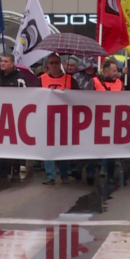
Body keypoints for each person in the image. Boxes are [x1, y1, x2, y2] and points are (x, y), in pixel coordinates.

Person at [0, 54, 27, 183]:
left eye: (6, 61)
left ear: (12, 64)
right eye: (1, 61)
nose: (2, 63)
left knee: (13, 145)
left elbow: (27, 96)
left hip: (14, 116)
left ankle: (15, 171)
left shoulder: (20, 79)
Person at [39, 53, 78, 185]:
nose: (54, 65)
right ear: (47, 65)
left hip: (65, 119)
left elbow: (80, 98)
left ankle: (64, 174)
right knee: (48, 148)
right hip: (46, 118)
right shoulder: (41, 79)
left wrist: (70, 94)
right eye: (52, 63)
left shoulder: (70, 80)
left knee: (64, 149)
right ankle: (50, 175)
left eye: (57, 62)